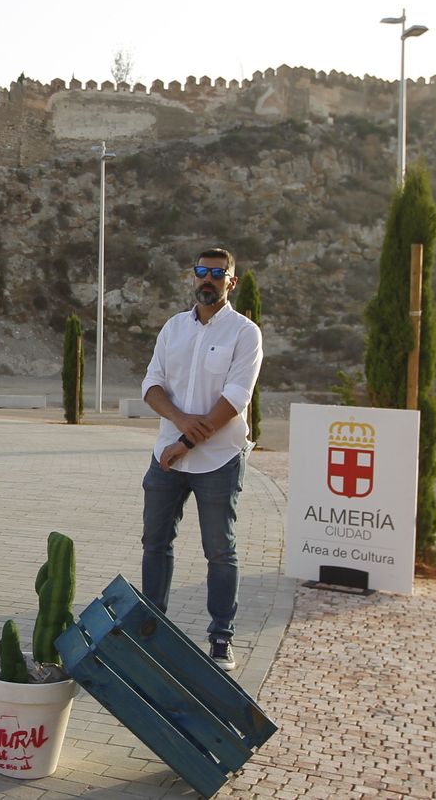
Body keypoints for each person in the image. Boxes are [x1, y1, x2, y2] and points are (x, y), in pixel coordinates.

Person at [139, 247, 264, 671]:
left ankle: (221, 639)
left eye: (218, 273)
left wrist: (186, 441)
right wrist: (179, 424)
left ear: (232, 281)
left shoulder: (245, 333)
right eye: (201, 272)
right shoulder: (173, 328)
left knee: (220, 552)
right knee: (155, 544)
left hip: (219, 461)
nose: (208, 279)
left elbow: (235, 399)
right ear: (191, 277)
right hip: (167, 458)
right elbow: (152, 385)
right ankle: (152, 630)